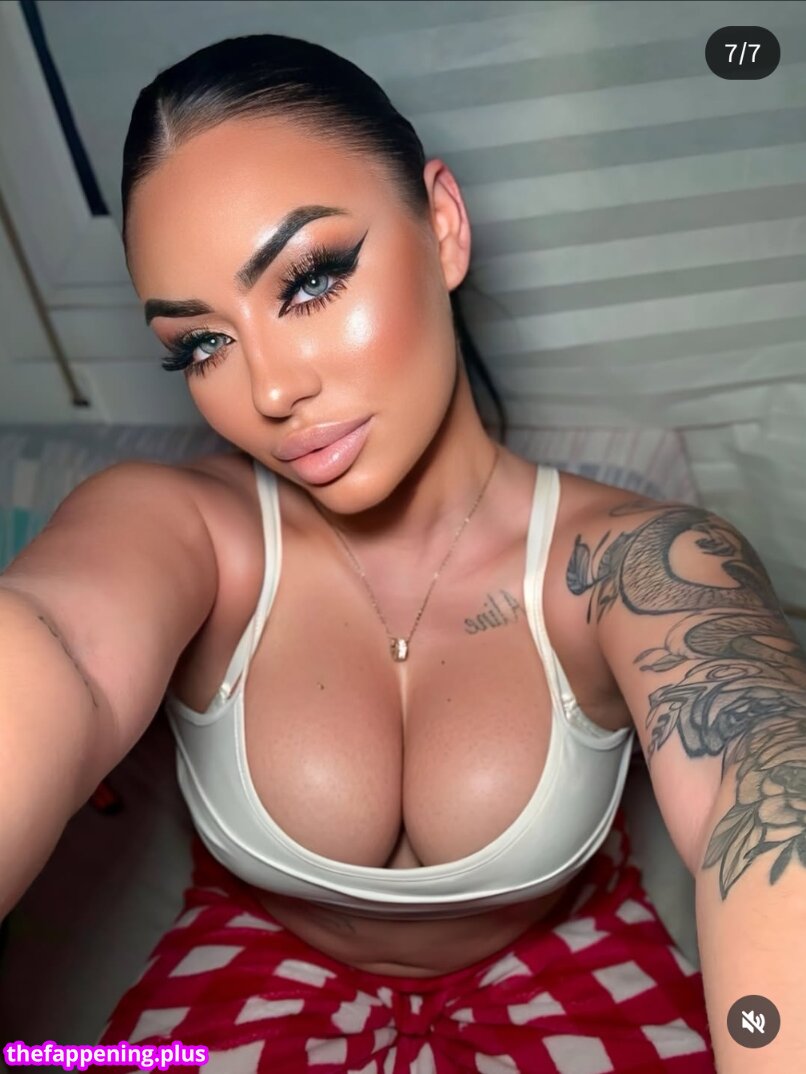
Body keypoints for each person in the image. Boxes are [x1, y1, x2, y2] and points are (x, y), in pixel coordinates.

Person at [13, 30, 802, 1074]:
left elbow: (765, 781)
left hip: (574, 967)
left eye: (308, 280)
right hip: (250, 971)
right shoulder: (177, 526)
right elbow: (51, 640)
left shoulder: (637, 560)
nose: (270, 390)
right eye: (201, 343)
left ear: (442, 226)